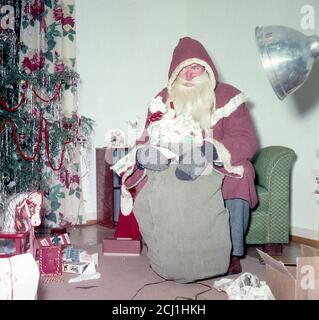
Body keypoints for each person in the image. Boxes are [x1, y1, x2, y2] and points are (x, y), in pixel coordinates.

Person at [116, 37, 258, 275]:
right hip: (173, 167)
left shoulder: (229, 97)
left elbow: (245, 139)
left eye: (195, 68)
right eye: (183, 70)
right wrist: (143, 153)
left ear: (207, 69)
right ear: (173, 74)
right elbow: (147, 136)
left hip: (214, 165)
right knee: (148, 171)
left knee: (242, 174)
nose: (189, 76)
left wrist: (210, 150)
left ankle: (233, 252)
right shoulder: (162, 99)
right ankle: (164, 247)